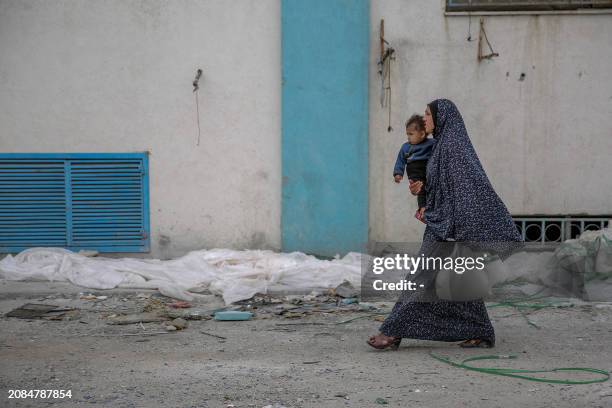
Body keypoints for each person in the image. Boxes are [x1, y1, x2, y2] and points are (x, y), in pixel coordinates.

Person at [367, 99, 523, 350]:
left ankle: (393, 331)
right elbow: (444, 185)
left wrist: (448, 221)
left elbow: (465, 190)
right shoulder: (441, 145)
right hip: (443, 222)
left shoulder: (452, 147)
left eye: (428, 114)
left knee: (421, 275)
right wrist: (423, 191)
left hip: (448, 227)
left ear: (442, 117)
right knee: (461, 280)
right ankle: (481, 331)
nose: (425, 119)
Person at [393, 114, 435, 221]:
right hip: (415, 171)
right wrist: (398, 173)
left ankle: (431, 209)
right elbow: (400, 160)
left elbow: (440, 145)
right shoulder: (406, 147)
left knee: (429, 188)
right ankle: (422, 209)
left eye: (411, 134)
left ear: (421, 134)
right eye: (407, 134)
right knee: (420, 189)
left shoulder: (431, 143)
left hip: (426, 169)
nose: (408, 137)